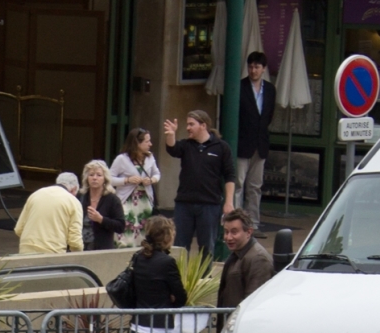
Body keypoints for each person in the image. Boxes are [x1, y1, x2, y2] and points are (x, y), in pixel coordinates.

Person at [163, 110, 235, 257]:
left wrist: (229, 202)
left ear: (203, 125)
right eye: (187, 124)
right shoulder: (186, 145)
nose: (188, 128)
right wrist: (171, 134)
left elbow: (230, 176)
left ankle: (204, 278)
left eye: (191, 124)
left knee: (207, 246)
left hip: (209, 204)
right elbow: (172, 149)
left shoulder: (221, 147)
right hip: (184, 203)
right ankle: (179, 277)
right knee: (180, 245)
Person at [237, 52, 276, 236]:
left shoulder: (270, 89)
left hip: (260, 144)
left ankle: (252, 224)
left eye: (257, 67)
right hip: (242, 143)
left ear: (264, 69)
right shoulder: (239, 87)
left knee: (254, 187)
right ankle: (235, 224)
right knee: (238, 184)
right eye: (251, 67)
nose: (253, 70)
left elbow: (268, 116)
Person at [109, 128, 161, 247]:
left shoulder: (150, 158)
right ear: (137, 143)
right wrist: (127, 180)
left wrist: (152, 180)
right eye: (147, 141)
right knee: (126, 228)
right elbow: (109, 178)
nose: (150, 144)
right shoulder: (122, 159)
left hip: (145, 201)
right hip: (127, 200)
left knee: (144, 230)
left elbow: (157, 174)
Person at [14, 172, 83, 254]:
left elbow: (18, 229)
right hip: (53, 251)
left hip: (26, 249)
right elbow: (75, 242)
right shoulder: (73, 202)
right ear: (74, 189)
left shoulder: (35, 194)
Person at [217, 209, 274, 308]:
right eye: (226, 232)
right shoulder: (237, 255)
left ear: (249, 232)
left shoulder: (259, 259)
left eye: (234, 232)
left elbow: (253, 302)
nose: (228, 237)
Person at [78, 159, 126, 251]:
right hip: (81, 249)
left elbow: (120, 226)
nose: (94, 178)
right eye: (91, 175)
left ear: (105, 179)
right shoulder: (80, 196)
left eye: (99, 175)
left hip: (102, 249)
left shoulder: (112, 199)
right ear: (87, 178)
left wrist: (101, 219)